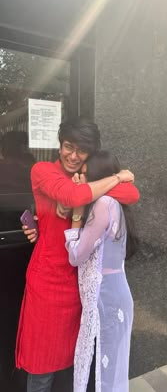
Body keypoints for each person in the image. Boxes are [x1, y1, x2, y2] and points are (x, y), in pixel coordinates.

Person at [16, 118, 139, 392]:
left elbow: (132, 194)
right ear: (59, 146)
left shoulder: (89, 178)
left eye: (81, 150)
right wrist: (116, 177)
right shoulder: (43, 170)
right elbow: (71, 196)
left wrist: (84, 189)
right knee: (42, 364)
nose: (73, 155)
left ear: (90, 152)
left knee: (77, 363)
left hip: (81, 284)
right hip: (47, 283)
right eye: (68, 147)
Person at [64, 150, 136, 392]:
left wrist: (76, 215)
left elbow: (76, 255)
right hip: (112, 295)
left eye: (83, 175)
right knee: (109, 370)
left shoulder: (104, 204)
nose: (78, 179)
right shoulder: (113, 203)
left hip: (105, 300)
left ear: (96, 176)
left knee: (100, 375)